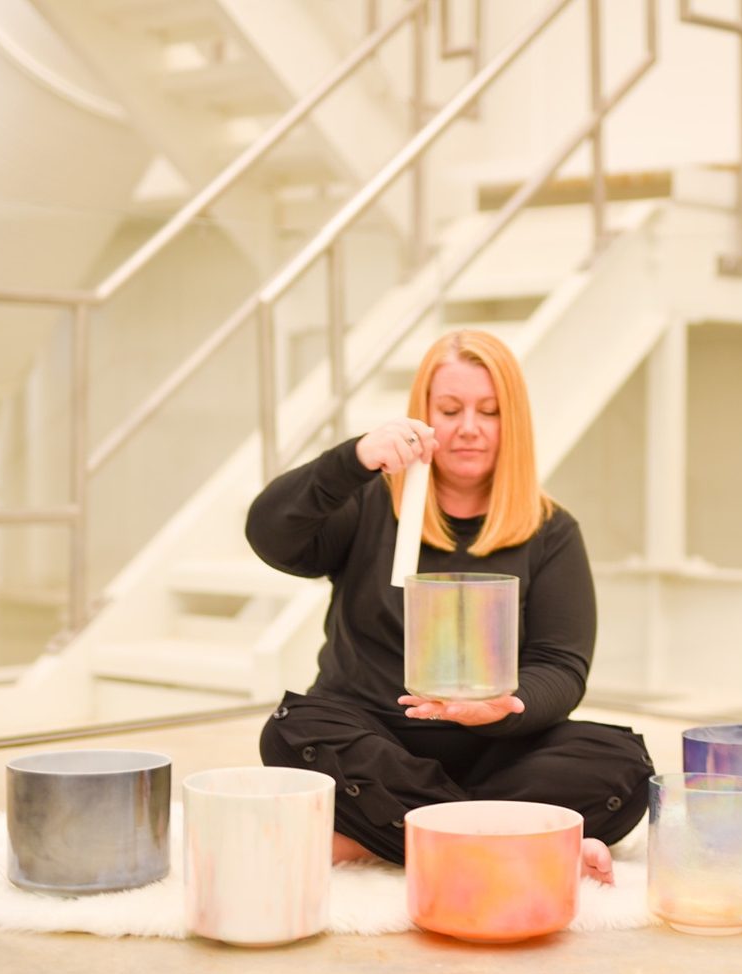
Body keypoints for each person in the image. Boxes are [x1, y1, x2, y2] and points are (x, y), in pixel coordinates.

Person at [246, 329, 653, 883]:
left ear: (513, 422)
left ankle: (380, 835)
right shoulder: (368, 503)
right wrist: (353, 458)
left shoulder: (551, 530)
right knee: (294, 729)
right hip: (372, 741)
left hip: (495, 750)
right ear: (423, 416)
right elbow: (270, 532)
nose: (468, 428)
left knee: (621, 762)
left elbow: (561, 666)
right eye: (450, 409)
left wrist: (505, 707)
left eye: (489, 411)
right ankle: (516, 844)